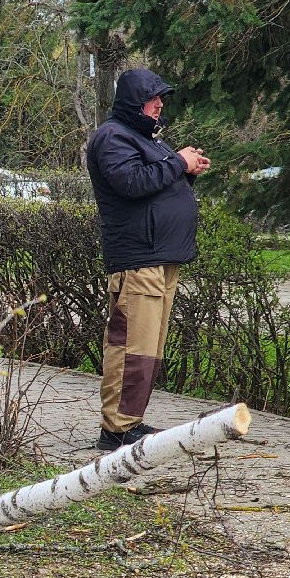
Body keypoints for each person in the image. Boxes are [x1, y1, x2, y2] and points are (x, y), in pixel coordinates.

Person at [87, 68, 210, 451]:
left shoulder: (143, 139)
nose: (159, 105)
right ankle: (117, 428)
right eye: (153, 98)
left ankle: (129, 422)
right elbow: (132, 183)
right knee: (131, 347)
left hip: (160, 257)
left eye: (161, 99)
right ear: (133, 102)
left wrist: (185, 170)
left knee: (149, 350)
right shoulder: (111, 138)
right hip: (138, 259)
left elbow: (154, 182)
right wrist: (178, 163)